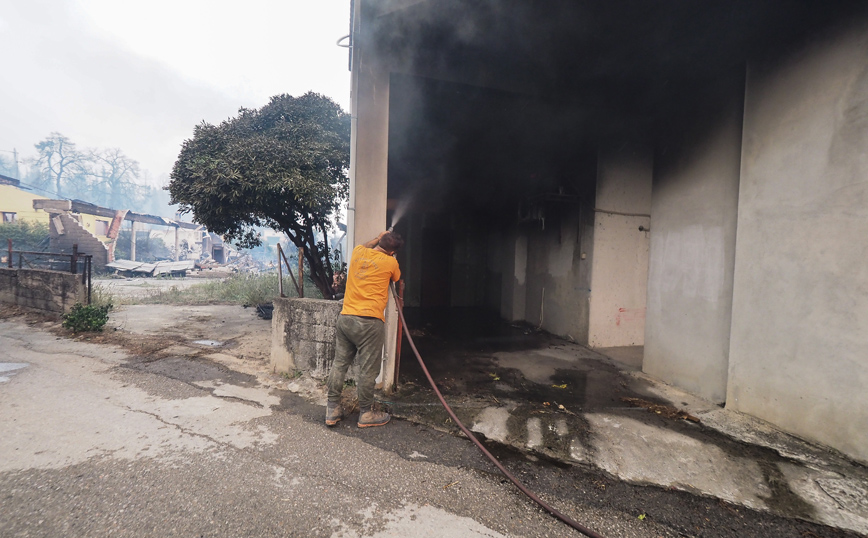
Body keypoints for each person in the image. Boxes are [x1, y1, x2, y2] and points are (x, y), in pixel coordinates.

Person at [326, 230, 404, 428]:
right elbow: (396, 279)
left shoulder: (358, 252)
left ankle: (332, 409)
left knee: (339, 364)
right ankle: (366, 414)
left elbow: (369, 245)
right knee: (368, 370)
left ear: (379, 241)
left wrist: (378, 237)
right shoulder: (391, 262)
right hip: (370, 323)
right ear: (393, 252)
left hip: (346, 318)